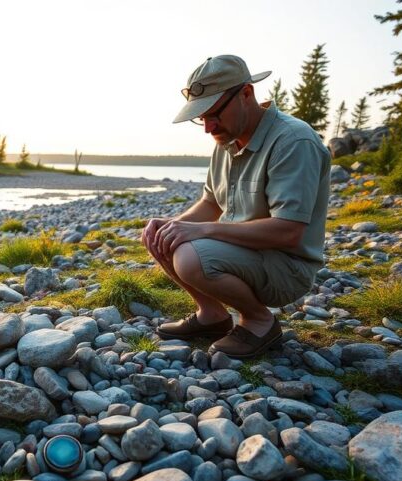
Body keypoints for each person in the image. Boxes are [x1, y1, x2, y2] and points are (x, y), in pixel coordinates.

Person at [139, 55, 330, 359]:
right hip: (246, 253)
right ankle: (211, 315)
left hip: (286, 266)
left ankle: (259, 321)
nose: (207, 127)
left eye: (213, 113)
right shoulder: (226, 140)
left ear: (246, 94)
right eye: (200, 116)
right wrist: (173, 226)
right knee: (164, 235)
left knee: (190, 256)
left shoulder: (294, 141)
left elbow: (288, 232)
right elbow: (211, 202)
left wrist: (202, 230)